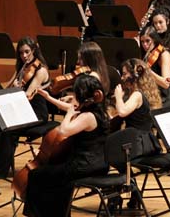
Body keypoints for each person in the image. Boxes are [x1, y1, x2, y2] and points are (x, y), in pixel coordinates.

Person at [24, 74, 110, 217]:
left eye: (75, 93)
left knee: (36, 175)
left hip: (83, 166)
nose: (73, 96)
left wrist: (69, 115)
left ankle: (37, 214)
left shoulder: (87, 117)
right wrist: (49, 98)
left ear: (82, 95)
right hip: (100, 163)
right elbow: (70, 107)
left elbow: (64, 130)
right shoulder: (101, 111)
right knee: (57, 177)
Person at [0, 36, 49, 180]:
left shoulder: (40, 71)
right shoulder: (21, 68)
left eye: (27, 52)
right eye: (21, 53)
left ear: (34, 50)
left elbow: (28, 96)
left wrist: (17, 91)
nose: (24, 56)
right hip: (21, 110)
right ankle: (6, 157)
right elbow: (7, 87)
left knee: (8, 130)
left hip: (36, 113)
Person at [114, 58, 163, 157]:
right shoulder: (147, 92)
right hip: (147, 141)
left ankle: (125, 172)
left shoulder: (137, 95)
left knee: (110, 147)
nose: (122, 78)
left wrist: (118, 97)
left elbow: (122, 112)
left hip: (136, 144)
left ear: (133, 75)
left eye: (124, 74)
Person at [140, 25, 170, 107]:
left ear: (154, 40)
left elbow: (166, 84)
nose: (145, 45)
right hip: (151, 94)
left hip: (164, 98)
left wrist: (148, 71)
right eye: (142, 42)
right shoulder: (147, 54)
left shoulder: (164, 55)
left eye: (147, 41)